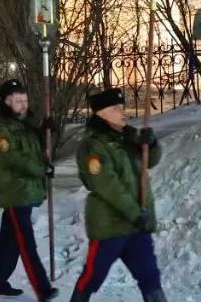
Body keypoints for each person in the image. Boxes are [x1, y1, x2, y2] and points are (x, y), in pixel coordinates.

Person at [69, 88, 164, 302]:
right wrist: (134, 211)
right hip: (109, 226)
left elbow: (152, 160)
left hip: (136, 224)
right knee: (93, 277)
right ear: (101, 113)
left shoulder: (127, 137)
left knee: (150, 277)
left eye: (122, 107)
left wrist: (150, 143)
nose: (123, 112)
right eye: (116, 109)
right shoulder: (93, 145)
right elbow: (106, 184)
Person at [0, 78, 59, 300]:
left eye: (25, 100)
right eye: (18, 101)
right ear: (7, 102)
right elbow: (14, 157)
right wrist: (42, 169)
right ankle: (42, 288)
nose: (24, 105)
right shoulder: (0, 126)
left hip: (26, 190)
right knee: (26, 242)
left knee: (10, 238)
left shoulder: (25, 123)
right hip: (15, 191)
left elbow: (36, 148)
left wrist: (46, 131)